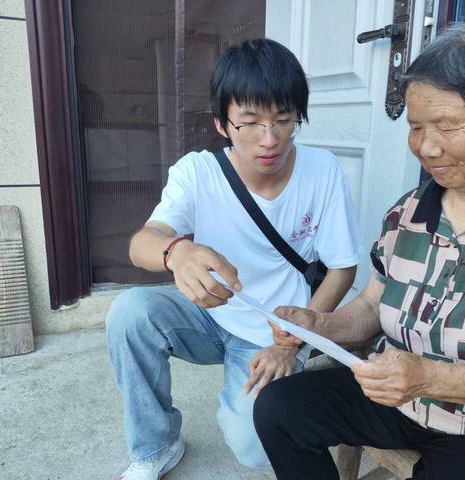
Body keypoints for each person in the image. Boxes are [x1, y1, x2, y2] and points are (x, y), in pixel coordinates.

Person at [254, 14, 465, 480]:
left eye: (446, 126)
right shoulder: (408, 211)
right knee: (280, 409)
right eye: (415, 127)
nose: (426, 148)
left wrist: (429, 377)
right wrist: (320, 325)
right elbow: (374, 304)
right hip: (401, 398)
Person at [105, 38, 361, 480]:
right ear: (222, 124)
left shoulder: (322, 170)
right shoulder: (198, 171)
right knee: (130, 313)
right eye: (250, 123)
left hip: (276, 329)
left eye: (284, 120)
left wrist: (292, 343)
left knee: (256, 447)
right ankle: (157, 446)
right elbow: (142, 242)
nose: (270, 139)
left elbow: (342, 268)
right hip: (208, 313)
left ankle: (249, 393)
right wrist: (176, 251)